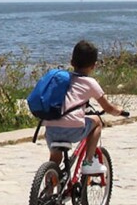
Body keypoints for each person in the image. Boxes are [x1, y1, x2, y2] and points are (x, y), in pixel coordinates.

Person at [43, 40, 128, 176]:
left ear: (71, 62)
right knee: (97, 122)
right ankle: (88, 162)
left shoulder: (61, 79)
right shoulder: (90, 83)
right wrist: (118, 111)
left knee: (55, 159)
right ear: (94, 66)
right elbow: (108, 108)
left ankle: (47, 191)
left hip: (51, 129)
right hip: (73, 130)